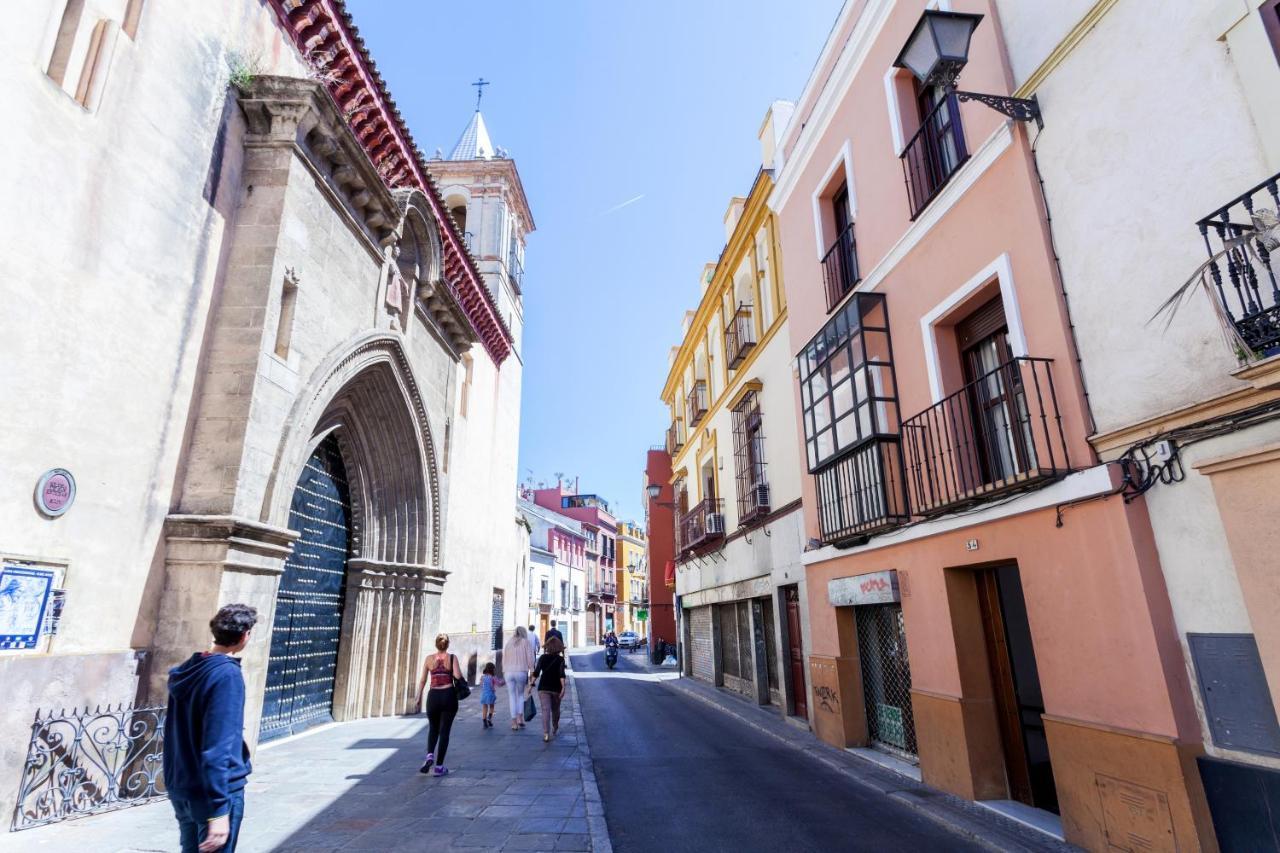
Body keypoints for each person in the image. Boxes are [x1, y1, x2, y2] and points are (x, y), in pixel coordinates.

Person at [164, 603, 257, 853]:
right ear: (245, 635)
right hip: (215, 792)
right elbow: (219, 746)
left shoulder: (187, 669)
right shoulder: (226, 676)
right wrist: (218, 810)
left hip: (183, 786)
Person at [416, 633, 465, 776]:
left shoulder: (429, 659)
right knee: (445, 731)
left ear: (436, 644)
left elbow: (423, 680)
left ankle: (429, 755)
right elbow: (457, 676)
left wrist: (419, 696)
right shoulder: (451, 658)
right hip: (448, 696)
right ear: (447, 644)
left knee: (433, 728)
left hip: (433, 697)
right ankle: (439, 767)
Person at [532, 635, 568, 742]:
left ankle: (546, 733)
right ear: (559, 648)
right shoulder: (561, 659)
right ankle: (555, 726)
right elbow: (562, 675)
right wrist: (563, 688)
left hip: (543, 687)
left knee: (545, 710)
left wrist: (531, 684)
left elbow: (536, 672)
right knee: (555, 709)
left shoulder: (542, 658)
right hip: (556, 688)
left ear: (547, 647)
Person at [502, 626, 536, 730]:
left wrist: (504, 670)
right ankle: (520, 719)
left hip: (508, 672)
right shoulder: (526, 642)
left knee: (512, 696)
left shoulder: (508, 643)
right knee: (520, 695)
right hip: (521, 671)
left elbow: (503, 659)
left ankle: (513, 723)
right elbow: (530, 659)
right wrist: (532, 671)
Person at [479, 662, 499, 729]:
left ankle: (484, 721)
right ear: (492, 670)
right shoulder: (493, 677)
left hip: (484, 694)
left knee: (484, 707)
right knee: (492, 706)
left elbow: (481, 685)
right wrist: (504, 681)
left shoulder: (482, 677)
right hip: (490, 694)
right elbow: (498, 683)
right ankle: (489, 718)